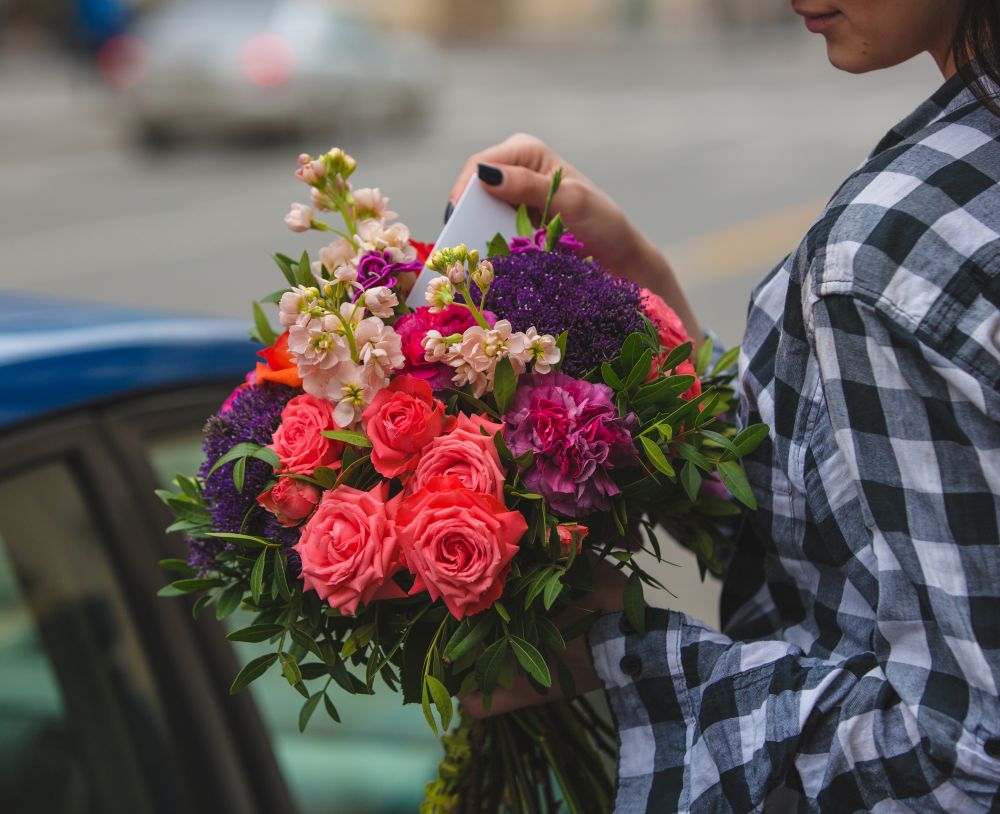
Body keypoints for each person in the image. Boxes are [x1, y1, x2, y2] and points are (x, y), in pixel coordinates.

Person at [451, 1, 1000, 811]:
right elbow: (842, 508)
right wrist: (646, 289)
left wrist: (618, 657)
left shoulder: (886, 251)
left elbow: (966, 758)